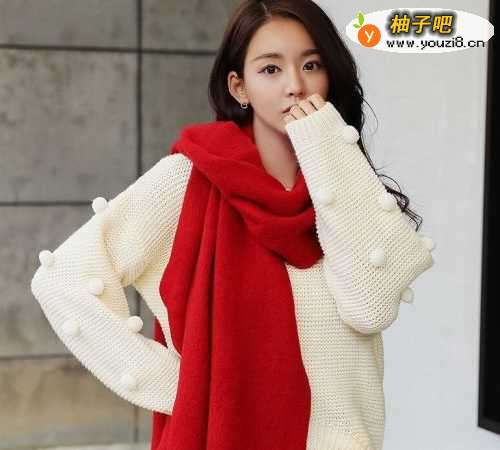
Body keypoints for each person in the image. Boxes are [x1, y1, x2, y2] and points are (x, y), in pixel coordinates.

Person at [30, 1, 436, 449]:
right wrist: (187, 387)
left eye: (311, 65)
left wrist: (324, 147)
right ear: (239, 86)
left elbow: (369, 308)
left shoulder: (347, 180)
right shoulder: (188, 180)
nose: (295, 86)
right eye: (270, 69)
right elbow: (63, 280)